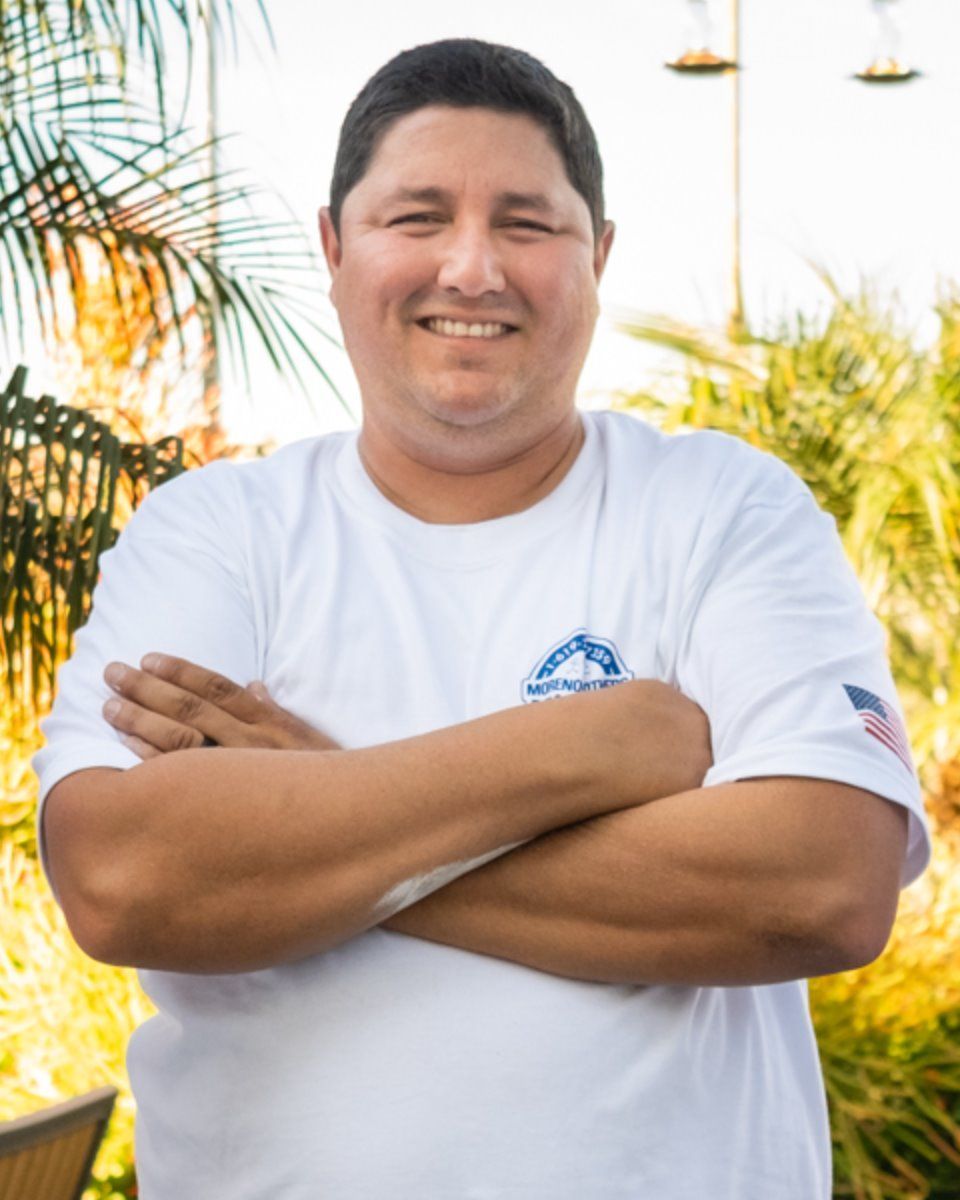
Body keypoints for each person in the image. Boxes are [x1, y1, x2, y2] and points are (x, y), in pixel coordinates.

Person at [33, 37, 930, 1200]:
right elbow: (123, 877)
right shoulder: (218, 533)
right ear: (333, 247)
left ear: (598, 256)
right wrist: (601, 745)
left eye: (526, 223)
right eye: (417, 217)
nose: (471, 267)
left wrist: (309, 799)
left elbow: (822, 884)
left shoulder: (723, 509)